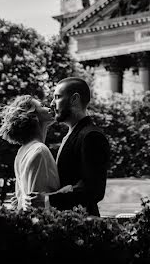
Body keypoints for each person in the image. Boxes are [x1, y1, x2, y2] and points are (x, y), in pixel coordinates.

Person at [28, 77, 110, 216]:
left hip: (82, 227)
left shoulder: (92, 136)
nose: (52, 103)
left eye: (58, 97)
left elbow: (93, 190)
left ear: (74, 99)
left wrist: (48, 200)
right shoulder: (73, 135)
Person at [0, 95, 70, 210]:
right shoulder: (39, 150)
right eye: (42, 106)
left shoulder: (22, 151)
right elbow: (36, 205)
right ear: (34, 117)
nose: (49, 107)